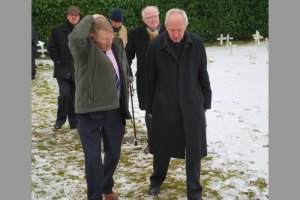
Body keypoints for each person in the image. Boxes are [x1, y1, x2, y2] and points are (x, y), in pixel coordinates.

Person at [145, 8, 212, 200]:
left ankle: (194, 190)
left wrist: (206, 100)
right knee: (161, 147)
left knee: (194, 149)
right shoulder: (155, 46)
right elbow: (150, 80)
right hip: (164, 106)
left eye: (179, 30)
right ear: (165, 26)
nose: (175, 34)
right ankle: (156, 180)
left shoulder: (197, 43)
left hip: (191, 105)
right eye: (172, 30)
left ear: (186, 27)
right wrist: (150, 108)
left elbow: (202, 74)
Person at [68, 14, 131, 200]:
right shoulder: (83, 50)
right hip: (89, 112)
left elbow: (122, 69)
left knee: (113, 153)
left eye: (111, 36)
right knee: (93, 158)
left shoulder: (117, 46)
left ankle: (106, 185)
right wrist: (90, 18)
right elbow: (74, 37)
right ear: (93, 37)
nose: (109, 41)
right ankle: (94, 196)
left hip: (114, 110)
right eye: (105, 38)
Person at [125, 6, 165, 154]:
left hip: (167, 80)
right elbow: (127, 55)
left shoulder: (169, 31)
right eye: (149, 17)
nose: (153, 19)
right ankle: (152, 143)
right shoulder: (136, 34)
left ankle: (170, 140)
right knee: (150, 111)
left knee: (169, 109)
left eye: (155, 16)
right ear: (144, 20)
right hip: (146, 80)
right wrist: (127, 71)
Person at [48, 6, 83, 130]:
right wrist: (58, 61)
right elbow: (51, 48)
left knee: (75, 96)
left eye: (76, 15)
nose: (74, 17)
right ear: (67, 16)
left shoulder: (83, 31)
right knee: (65, 94)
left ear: (79, 17)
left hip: (78, 70)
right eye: (71, 14)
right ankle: (60, 120)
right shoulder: (58, 30)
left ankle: (74, 122)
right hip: (62, 70)